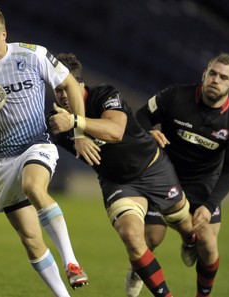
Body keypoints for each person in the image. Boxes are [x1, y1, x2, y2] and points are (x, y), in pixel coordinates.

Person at [0, 7, 102, 297]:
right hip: (1, 158)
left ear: (3, 33)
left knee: (34, 187)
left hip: (36, 144)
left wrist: (79, 131)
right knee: (30, 238)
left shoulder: (32, 54)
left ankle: (72, 262)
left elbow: (71, 86)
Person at [48, 53, 196, 297]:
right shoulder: (56, 123)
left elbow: (116, 131)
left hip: (153, 168)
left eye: (67, 88)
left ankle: (189, 240)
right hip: (118, 182)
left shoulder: (105, 94)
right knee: (132, 236)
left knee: (185, 227)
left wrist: (77, 124)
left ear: (80, 84)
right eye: (57, 89)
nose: (63, 95)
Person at [125, 53, 229, 297]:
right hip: (164, 176)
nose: (215, 80)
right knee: (151, 237)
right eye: (212, 73)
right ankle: (136, 269)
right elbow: (139, 117)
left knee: (207, 244)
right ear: (204, 74)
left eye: (223, 77)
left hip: (203, 184)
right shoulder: (174, 96)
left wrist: (210, 205)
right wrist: (148, 132)